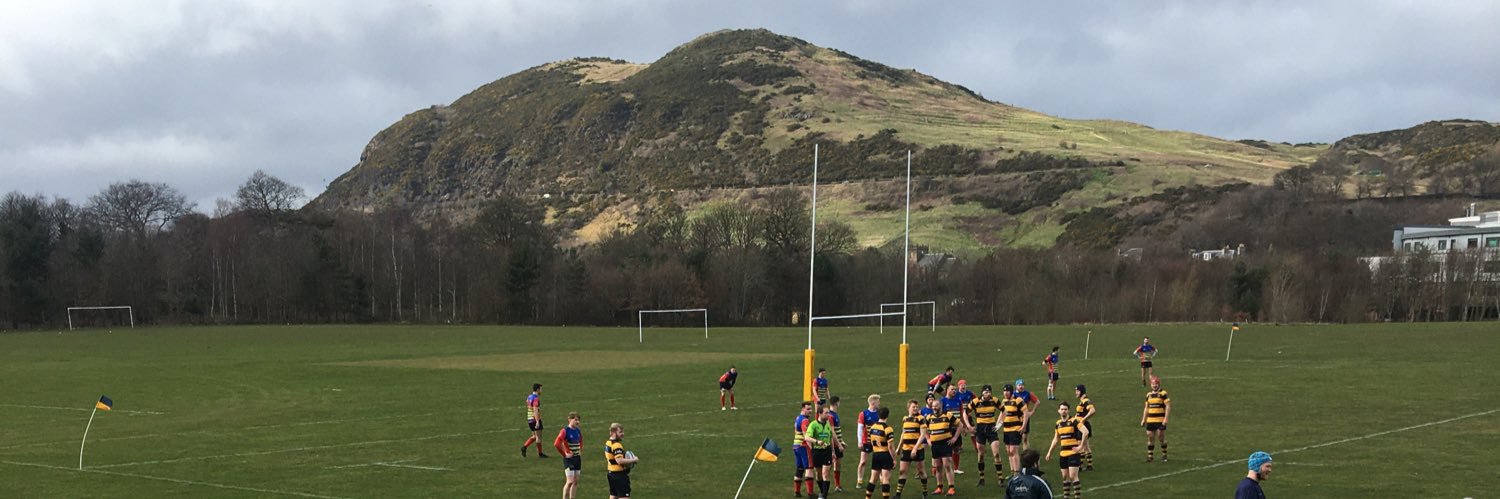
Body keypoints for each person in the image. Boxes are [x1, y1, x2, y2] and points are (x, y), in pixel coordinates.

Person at [1044, 402, 1088, 499]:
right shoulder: (1058, 424)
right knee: (1065, 477)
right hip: (1063, 454)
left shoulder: (1074, 421)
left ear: (1068, 410)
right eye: (1062, 409)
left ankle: (1077, 497)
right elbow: (1056, 439)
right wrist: (1050, 452)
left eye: (1065, 409)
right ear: (1058, 411)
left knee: (1073, 476)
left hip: (1073, 453)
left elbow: (1085, 431)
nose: (1063, 411)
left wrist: (1080, 447)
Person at [967, 384, 1003, 486]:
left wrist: (999, 424)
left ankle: (1000, 478)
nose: (988, 394)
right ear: (982, 392)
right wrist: (969, 426)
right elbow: (965, 413)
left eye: (989, 392)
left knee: (996, 453)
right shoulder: (976, 402)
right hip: (980, 430)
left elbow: (1004, 410)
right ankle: (981, 478)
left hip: (991, 430)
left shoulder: (994, 400)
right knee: (981, 455)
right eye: (986, 392)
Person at [894, 399, 930, 499]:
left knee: (921, 471)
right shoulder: (905, 419)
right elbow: (903, 433)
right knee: (902, 471)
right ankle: (898, 495)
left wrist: (915, 448)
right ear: (908, 408)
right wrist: (898, 448)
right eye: (913, 407)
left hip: (918, 449)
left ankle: (925, 492)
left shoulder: (921, 418)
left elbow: (923, 435)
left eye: (917, 407)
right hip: (906, 449)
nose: (915, 408)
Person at [806, 405, 842, 499]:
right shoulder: (813, 424)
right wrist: (817, 441)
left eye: (828, 413)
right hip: (817, 452)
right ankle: (822, 492)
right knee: (818, 475)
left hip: (827, 451)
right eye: (826, 413)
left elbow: (830, 438)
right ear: (820, 414)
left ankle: (824, 496)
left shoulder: (828, 424)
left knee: (825, 473)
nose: (828, 415)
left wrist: (833, 451)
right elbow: (806, 437)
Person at [925, 397, 958, 496]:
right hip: (935, 445)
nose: (935, 408)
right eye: (933, 406)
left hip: (945, 443)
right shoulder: (929, 417)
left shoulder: (948, 415)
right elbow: (924, 430)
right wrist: (928, 439)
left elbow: (959, 425)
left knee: (947, 465)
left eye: (936, 406)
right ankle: (939, 487)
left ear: (941, 406)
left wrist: (955, 438)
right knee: (938, 466)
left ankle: (951, 488)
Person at [864, 406, 898, 499]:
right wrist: (894, 459)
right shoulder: (888, 429)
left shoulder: (872, 427)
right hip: (885, 454)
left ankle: (867, 498)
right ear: (887, 416)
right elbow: (890, 446)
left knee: (873, 479)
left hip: (876, 455)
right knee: (885, 479)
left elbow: (870, 441)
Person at [940, 385, 969, 478]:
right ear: (947, 390)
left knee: (956, 449)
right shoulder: (942, 401)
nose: (954, 391)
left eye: (955, 389)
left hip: (956, 429)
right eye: (952, 389)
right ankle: (945, 468)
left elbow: (961, 415)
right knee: (945, 450)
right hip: (946, 429)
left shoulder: (958, 401)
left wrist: (964, 426)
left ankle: (956, 468)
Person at [1139, 376, 1171, 462]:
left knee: (1161, 437)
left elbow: (1168, 406)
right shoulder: (1148, 395)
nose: (1154, 386)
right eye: (1153, 384)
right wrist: (1143, 419)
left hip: (1160, 420)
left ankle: (1164, 455)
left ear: (1159, 384)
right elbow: (1146, 408)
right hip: (1150, 420)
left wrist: (1166, 419)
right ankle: (1150, 456)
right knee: (1150, 437)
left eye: (1156, 384)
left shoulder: (1163, 393)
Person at [604, 422, 638, 499]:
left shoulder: (608, 443)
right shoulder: (616, 445)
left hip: (611, 474)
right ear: (613, 432)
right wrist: (633, 460)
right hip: (619, 476)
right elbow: (619, 461)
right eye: (620, 432)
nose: (623, 434)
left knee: (613, 495)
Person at [554, 412, 583, 499]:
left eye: (578, 420)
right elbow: (557, 443)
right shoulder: (565, 431)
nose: (577, 422)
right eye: (575, 420)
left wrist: (580, 450)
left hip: (577, 458)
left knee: (575, 481)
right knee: (570, 481)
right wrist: (565, 454)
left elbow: (581, 441)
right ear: (569, 420)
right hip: (569, 460)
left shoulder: (578, 431)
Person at [856, 394, 883, 490]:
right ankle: (859, 480)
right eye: (878, 401)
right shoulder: (863, 414)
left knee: (879, 461)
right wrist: (860, 441)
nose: (879, 403)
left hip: (877, 442)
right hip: (866, 442)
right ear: (873, 402)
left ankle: (881, 479)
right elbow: (859, 428)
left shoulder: (879, 413)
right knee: (863, 461)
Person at [1000, 385, 1026, 478]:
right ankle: (1012, 472)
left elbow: (1025, 412)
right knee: (1008, 451)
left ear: (1011, 392)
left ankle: (1017, 473)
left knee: (1013, 450)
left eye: (1007, 391)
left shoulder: (1018, 400)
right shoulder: (1004, 401)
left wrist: (1023, 426)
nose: (1005, 393)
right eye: (1004, 391)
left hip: (1015, 429)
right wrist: (998, 424)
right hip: (1006, 429)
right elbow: (1002, 413)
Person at [794, 401, 816, 497]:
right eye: (808, 409)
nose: (810, 411)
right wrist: (811, 448)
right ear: (803, 409)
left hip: (796, 445)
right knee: (809, 468)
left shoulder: (798, 418)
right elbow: (806, 435)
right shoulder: (805, 421)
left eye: (811, 409)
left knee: (799, 468)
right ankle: (810, 493)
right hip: (803, 446)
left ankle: (797, 492)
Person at [521, 383, 549, 458]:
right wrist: (537, 421)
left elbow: (528, 404)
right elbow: (535, 410)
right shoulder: (536, 399)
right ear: (537, 389)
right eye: (541, 389)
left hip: (529, 419)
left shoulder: (529, 397)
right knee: (538, 437)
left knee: (534, 436)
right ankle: (540, 453)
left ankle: (525, 446)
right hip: (534, 419)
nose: (541, 390)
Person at [1073, 385, 1097, 472]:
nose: (1076, 392)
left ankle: (1080, 466)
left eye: (1077, 391)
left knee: (1081, 445)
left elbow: (1092, 410)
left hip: (1083, 426)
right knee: (1086, 446)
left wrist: (1083, 419)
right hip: (1083, 425)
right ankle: (1089, 466)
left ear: (1082, 391)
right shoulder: (1082, 401)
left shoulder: (1085, 401)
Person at [828, 396, 849, 492]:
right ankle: (826, 485)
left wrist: (842, 441)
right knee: (829, 466)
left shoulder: (835, 414)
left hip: (838, 444)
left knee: (838, 464)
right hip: (833, 445)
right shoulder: (830, 416)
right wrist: (839, 444)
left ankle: (837, 485)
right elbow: (832, 432)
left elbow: (837, 431)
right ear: (837, 403)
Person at [1014, 379, 1039, 448]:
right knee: (1015, 437)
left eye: (1022, 385)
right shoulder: (1013, 394)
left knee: (1024, 438)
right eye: (1019, 385)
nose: (1021, 386)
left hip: (1025, 417)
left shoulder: (1027, 394)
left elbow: (1037, 402)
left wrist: (1032, 412)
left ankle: (1026, 454)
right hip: (1015, 418)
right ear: (1016, 386)